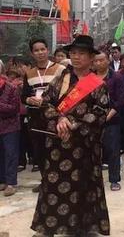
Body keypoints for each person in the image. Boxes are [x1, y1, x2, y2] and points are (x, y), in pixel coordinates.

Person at [31, 35, 111, 236]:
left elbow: (100, 112)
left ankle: (82, 228)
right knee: (53, 185)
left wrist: (74, 125)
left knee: (82, 187)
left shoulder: (98, 84)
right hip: (58, 144)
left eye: (81, 53)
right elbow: (46, 103)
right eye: (73, 53)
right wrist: (59, 119)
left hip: (83, 147)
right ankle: (50, 226)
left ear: (91, 58)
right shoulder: (62, 77)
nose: (76, 57)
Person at [22, 39, 66, 192]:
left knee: (56, 150)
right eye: (36, 50)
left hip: (54, 117)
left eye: (43, 49)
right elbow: (24, 96)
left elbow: (65, 93)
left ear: (48, 50)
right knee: (39, 151)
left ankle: (59, 182)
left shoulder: (60, 69)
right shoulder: (29, 73)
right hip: (35, 118)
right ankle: (45, 181)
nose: (40, 53)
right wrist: (29, 99)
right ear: (32, 53)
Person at [93, 51, 124, 191]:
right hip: (93, 120)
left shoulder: (116, 77)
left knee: (113, 150)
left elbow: (120, 99)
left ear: (108, 60)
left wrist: (108, 115)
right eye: (96, 61)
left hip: (112, 119)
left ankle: (114, 180)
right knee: (94, 151)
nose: (99, 63)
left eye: (102, 60)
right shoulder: (90, 77)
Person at [0, 68, 21, 197]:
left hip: (10, 126)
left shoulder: (11, 87)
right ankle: (2, 180)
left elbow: (15, 108)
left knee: (10, 154)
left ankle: (11, 183)